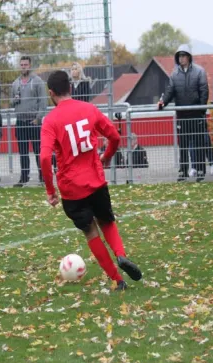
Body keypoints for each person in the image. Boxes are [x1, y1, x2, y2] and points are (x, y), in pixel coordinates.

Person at [40, 70, 142, 291]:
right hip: (95, 180)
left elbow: (45, 157)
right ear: (71, 87)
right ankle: (121, 255)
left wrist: (50, 190)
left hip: (71, 189)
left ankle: (118, 279)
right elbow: (114, 136)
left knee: (91, 231)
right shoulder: (89, 109)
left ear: (51, 93)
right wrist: (106, 157)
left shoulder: (50, 120)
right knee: (107, 221)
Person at [158, 44, 209, 182]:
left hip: (196, 114)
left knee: (198, 144)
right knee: (183, 145)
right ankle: (183, 171)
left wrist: (201, 110)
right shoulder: (174, 74)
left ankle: (200, 170)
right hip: (182, 115)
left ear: (189, 57)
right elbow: (170, 91)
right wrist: (163, 102)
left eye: (184, 55)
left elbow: (204, 92)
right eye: (179, 56)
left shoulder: (199, 72)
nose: (182, 58)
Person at [11, 56, 48, 187]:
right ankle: (24, 178)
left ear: (30, 65)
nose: (23, 67)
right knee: (23, 152)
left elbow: (43, 102)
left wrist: (38, 118)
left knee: (39, 151)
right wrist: (15, 99)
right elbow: (11, 102)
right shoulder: (15, 83)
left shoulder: (38, 81)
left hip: (34, 122)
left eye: (25, 64)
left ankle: (42, 177)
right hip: (20, 121)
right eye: (21, 64)